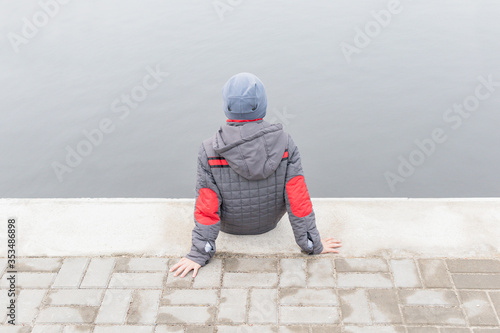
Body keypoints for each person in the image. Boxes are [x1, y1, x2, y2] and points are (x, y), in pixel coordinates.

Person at [170, 73, 341, 278]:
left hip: (229, 226)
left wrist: (198, 253)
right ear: (262, 105)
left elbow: (207, 206)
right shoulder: (285, 143)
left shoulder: (209, 149)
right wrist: (313, 244)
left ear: (227, 106)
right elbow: (298, 199)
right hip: (268, 223)